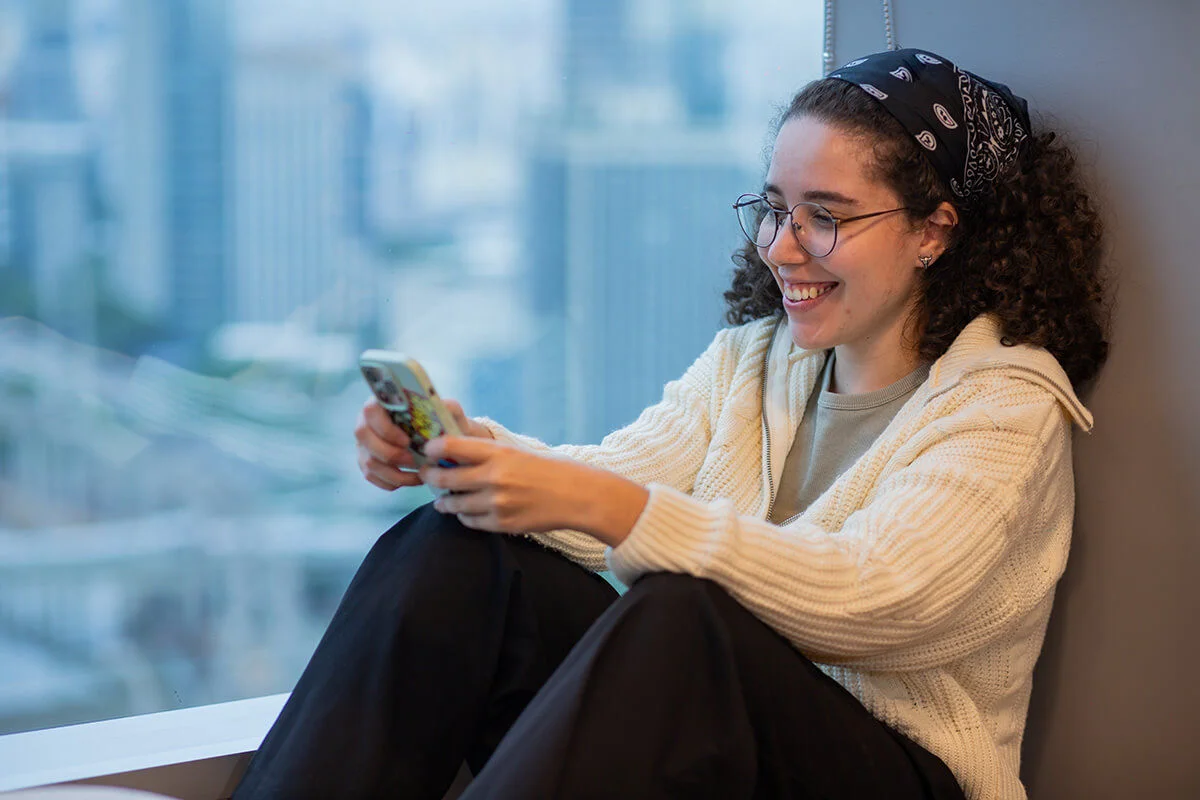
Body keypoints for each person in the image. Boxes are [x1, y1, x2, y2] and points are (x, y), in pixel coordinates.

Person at [233, 48, 1109, 800]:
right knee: (459, 552)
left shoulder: (1006, 404)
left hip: (902, 774)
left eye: (825, 217)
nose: (779, 245)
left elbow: (875, 595)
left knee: (681, 619)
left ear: (934, 231)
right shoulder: (755, 363)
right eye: (775, 208)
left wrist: (602, 503)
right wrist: (466, 456)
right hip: (732, 739)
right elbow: (615, 478)